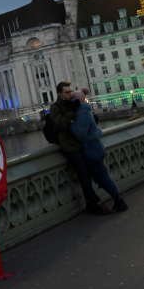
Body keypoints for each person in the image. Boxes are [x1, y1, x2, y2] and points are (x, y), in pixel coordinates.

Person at [50, 81, 107, 215]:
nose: (70, 94)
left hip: (81, 143)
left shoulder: (74, 102)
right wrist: (73, 113)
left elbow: (89, 121)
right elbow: (60, 125)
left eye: (70, 91)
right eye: (67, 92)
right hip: (69, 147)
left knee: (90, 172)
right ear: (60, 94)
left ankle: (93, 201)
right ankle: (93, 204)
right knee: (84, 175)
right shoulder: (55, 108)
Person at [71, 90, 128, 212]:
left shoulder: (82, 112)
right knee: (102, 177)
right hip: (95, 149)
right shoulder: (85, 110)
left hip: (92, 151)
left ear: (77, 100)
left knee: (102, 178)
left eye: (72, 98)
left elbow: (80, 133)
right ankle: (118, 200)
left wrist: (71, 124)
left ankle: (119, 201)